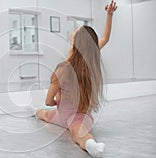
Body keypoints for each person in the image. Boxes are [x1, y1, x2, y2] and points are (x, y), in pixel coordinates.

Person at [34, 1, 117, 157]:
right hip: (63, 116)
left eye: (77, 30)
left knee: (77, 132)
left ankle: (91, 145)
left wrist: (59, 97)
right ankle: (34, 112)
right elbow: (105, 38)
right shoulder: (87, 58)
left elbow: (49, 101)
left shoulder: (62, 69)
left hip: (76, 117)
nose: (76, 28)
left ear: (76, 42)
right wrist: (109, 15)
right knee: (43, 114)